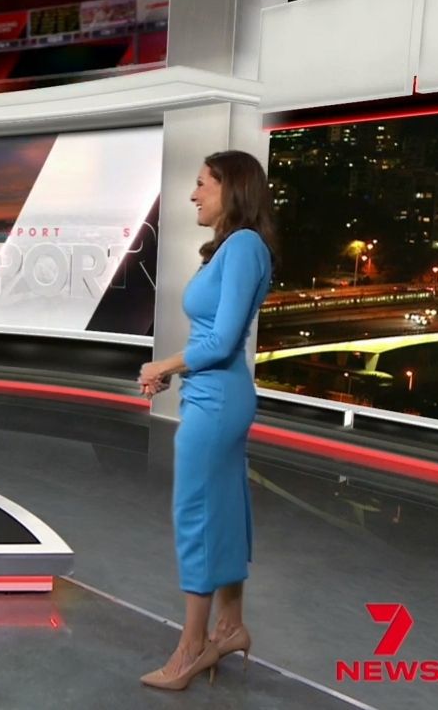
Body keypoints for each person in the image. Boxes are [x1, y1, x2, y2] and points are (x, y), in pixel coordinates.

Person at [138, 150, 276, 691]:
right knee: (225, 507)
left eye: (202, 184)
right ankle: (231, 626)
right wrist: (176, 373)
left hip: (217, 401)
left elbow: (220, 342)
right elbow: (212, 341)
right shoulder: (233, 248)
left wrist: (162, 365)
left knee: (196, 515)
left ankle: (192, 648)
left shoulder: (243, 247)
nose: (193, 194)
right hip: (213, 394)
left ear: (231, 189)